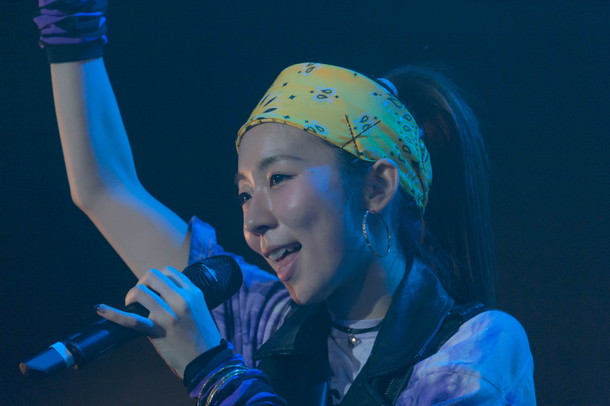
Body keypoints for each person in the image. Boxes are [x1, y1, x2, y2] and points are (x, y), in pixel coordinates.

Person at [35, 1, 535, 405]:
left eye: (278, 178)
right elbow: (105, 189)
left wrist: (212, 371)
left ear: (377, 188)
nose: (253, 221)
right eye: (245, 193)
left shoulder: (475, 350)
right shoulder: (272, 320)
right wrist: (69, 24)